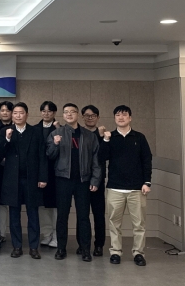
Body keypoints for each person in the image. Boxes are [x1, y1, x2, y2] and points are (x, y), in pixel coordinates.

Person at [46, 103, 101, 262]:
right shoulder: (56, 133)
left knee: (83, 216)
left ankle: (85, 249)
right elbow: (49, 155)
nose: (69, 114)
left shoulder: (89, 136)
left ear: (78, 115)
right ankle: (61, 248)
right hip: (63, 180)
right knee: (62, 216)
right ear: (63, 115)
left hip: (83, 181)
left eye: (72, 112)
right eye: (66, 112)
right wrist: (55, 144)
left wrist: (95, 179)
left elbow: (96, 160)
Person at [100, 105, 153, 267]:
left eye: (124, 115)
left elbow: (147, 160)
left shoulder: (139, 137)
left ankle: (139, 253)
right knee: (114, 223)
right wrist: (105, 140)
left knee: (139, 224)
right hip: (115, 187)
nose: (121, 117)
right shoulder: (110, 137)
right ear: (114, 118)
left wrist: (147, 182)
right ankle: (115, 252)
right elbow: (101, 157)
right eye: (117, 115)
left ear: (130, 118)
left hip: (137, 188)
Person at [0, 103, 47, 260]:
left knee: (33, 214)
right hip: (12, 180)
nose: (18, 115)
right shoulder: (5, 132)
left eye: (21, 113)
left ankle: (33, 247)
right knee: (14, 215)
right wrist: (7, 139)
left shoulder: (36, 132)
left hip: (32, 179)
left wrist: (42, 177)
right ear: (12, 115)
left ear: (27, 115)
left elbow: (42, 156)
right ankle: (17, 246)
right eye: (15, 113)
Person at [79, 104, 106, 256]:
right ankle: (83, 245)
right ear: (82, 117)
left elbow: (103, 156)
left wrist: (102, 138)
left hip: (98, 180)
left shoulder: (103, 134)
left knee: (98, 214)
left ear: (98, 117)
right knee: (82, 215)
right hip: (81, 180)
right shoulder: (79, 133)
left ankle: (99, 245)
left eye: (93, 115)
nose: (90, 118)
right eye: (87, 115)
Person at [34, 101, 59, 248]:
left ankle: (56, 236)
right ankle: (47, 234)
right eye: (43, 111)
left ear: (54, 113)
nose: (46, 113)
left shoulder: (59, 129)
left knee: (55, 206)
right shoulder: (34, 129)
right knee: (42, 206)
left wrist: (58, 129)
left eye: (49, 111)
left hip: (55, 173)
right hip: (39, 172)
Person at [0, 101, 14, 244]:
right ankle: (0, 233)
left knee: (14, 203)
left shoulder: (18, 128)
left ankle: (14, 234)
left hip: (15, 170)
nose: (5, 113)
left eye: (8, 110)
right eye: (2, 110)